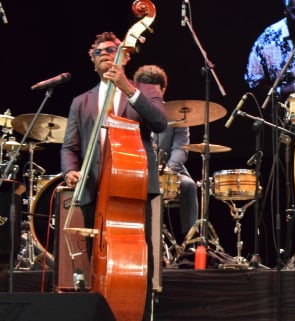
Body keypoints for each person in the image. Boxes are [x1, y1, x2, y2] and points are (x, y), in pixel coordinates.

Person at [61, 31, 168, 320]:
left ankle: (139, 313)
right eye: (99, 52)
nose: (106, 54)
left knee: (138, 258)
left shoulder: (146, 91)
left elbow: (159, 123)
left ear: (127, 54)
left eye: (112, 49)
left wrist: (126, 87)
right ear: (92, 60)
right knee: (97, 258)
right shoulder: (80, 101)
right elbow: (70, 146)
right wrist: (70, 171)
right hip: (93, 188)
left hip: (130, 187)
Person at [133, 65, 199, 244]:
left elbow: (181, 148)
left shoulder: (177, 114)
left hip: (170, 170)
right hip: (137, 170)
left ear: (163, 90)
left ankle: (190, 242)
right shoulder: (130, 112)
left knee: (189, 186)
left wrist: (167, 170)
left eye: (155, 94)